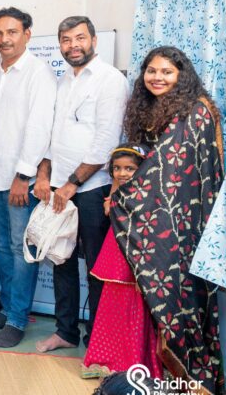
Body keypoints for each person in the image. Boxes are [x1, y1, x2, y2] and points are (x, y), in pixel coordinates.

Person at [113, 47, 224, 392]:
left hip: (184, 221)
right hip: (159, 214)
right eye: (152, 71)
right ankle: (151, 374)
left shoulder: (196, 110)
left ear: (182, 75)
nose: (157, 77)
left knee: (178, 293)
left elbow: (170, 168)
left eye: (167, 72)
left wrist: (124, 196)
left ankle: (192, 382)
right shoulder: (150, 109)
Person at [35, 16, 128, 353]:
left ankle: (97, 340)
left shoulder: (111, 80)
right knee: (61, 259)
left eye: (79, 38)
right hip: (59, 187)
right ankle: (65, 332)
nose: (73, 45)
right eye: (66, 39)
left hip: (91, 189)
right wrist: (45, 175)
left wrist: (72, 184)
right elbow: (52, 136)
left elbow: (106, 142)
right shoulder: (63, 82)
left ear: (93, 41)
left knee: (95, 268)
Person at [0, 8, 56, 348]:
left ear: (27, 34)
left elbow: (39, 127)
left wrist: (24, 175)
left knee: (21, 250)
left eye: (11, 32)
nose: (4, 39)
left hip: (19, 180)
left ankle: (18, 319)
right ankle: (7, 308)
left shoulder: (39, 73)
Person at [81, 143, 160, 379]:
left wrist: (143, 271)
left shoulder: (149, 196)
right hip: (115, 253)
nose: (122, 173)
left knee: (133, 312)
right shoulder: (119, 193)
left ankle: (129, 366)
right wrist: (112, 197)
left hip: (135, 257)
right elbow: (110, 208)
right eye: (117, 168)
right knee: (110, 308)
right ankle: (104, 361)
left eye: (129, 168)